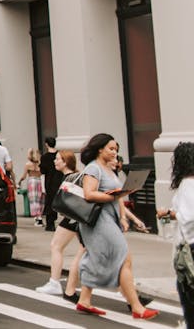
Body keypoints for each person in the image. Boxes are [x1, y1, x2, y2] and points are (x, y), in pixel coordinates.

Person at [73, 133, 158, 319]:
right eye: (111, 149)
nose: (114, 152)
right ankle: (137, 307)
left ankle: (84, 300)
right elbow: (89, 194)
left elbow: (117, 196)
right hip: (98, 221)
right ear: (100, 149)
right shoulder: (93, 169)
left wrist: (124, 217)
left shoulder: (108, 169)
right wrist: (114, 196)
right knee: (124, 258)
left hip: (109, 219)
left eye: (116, 149)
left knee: (98, 258)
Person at [35, 151, 87, 296]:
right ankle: (122, 285)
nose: (55, 161)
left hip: (73, 217)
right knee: (88, 250)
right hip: (77, 217)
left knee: (56, 246)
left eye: (58, 159)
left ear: (65, 162)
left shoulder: (70, 178)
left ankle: (54, 283)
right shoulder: (74, 176)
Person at [156, 141, 194, 327]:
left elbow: (189, 217)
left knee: (189, 299)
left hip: (190, 250)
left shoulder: (187, 184)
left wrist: (170, 214)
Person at [40, 137, 63, 231]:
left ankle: (50, 223)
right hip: (59, 180)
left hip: (49, 181)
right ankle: (56, 219)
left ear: (46, 144)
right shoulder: (59, 155)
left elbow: (43, 171)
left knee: (49, 201)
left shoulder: (45, 157)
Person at [20, 148, 45, 222]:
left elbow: (24, 176)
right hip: (39, 181)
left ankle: (36, 217)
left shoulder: (28, 164)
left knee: (34, 200)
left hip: (32, 181)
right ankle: (40, 215)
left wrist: (19, 182)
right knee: (40, 199)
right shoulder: (40, 164)